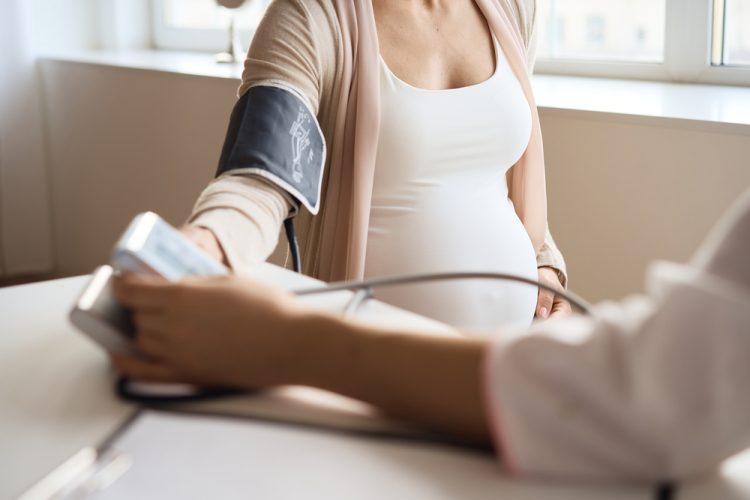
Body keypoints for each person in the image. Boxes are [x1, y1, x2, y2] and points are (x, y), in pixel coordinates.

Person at [113, 188, 750, 482]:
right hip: (384, 377)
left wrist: (547, 272)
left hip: (488, 371)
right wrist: (209, 242)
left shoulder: (506, 10)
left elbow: (516, 182)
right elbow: (263, 167)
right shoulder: (314, 14)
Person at [180, 0, 571, 329]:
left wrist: (544, 263)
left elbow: (496, 169)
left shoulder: (514, 7)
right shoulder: (310, 15)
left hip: (509, 363)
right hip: (368, 365)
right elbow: (259, 176)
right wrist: (207, 242)